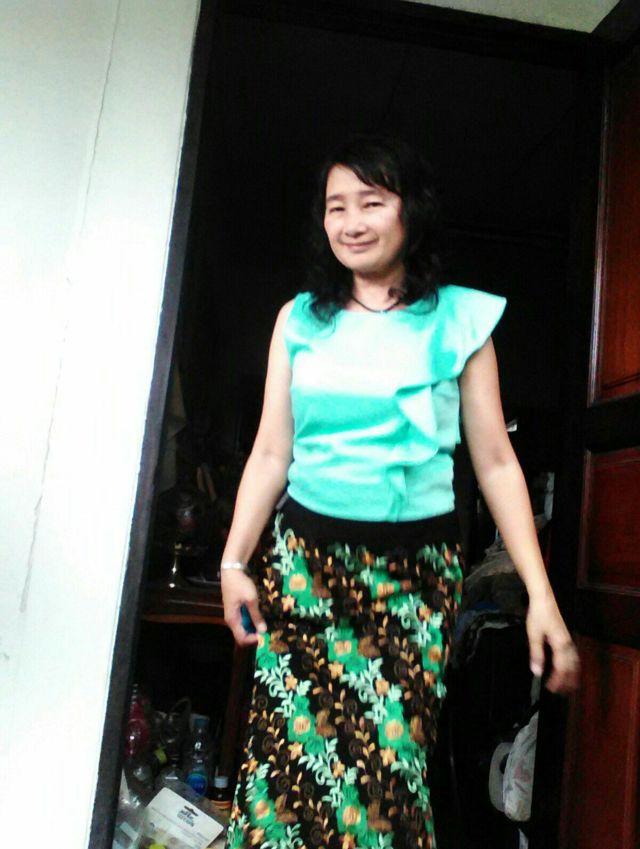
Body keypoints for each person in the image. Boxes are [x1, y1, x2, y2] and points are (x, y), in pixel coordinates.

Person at [221, 135, 579, 849]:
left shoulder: (460, 321)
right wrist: (234, 560)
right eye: (336, 207)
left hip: (412, 581)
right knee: (288, 768)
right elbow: (270, 451)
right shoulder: (298, 320)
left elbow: (497, 464)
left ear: (409, 211)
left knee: (389, 771)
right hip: (306, 573)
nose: (351, 222)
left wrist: (541, 596)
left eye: (371, 202)